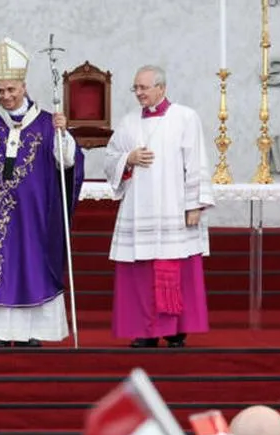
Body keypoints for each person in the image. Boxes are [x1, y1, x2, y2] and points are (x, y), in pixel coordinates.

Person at [0, 39, 84, 348]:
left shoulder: (49, 122)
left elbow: (68, 162)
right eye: (1, 91)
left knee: (29, 270)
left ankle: (29, 333)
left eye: (12, 89)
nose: (6, 97)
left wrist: (64, 134)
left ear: (23, 86)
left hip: (33, 217)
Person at [104, 65, 214, 348]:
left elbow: (197, 161)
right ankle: (145, 330)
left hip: (175, 209)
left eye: (144, 87)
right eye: (136, 88)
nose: (138, 93)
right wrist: (128, 158)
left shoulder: (185, 118)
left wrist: (195, 206)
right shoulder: (128, 122)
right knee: (140, 273)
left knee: (176, 270)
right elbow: (110, 158)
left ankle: (175, 329)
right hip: (139, 209)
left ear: (161, 88)